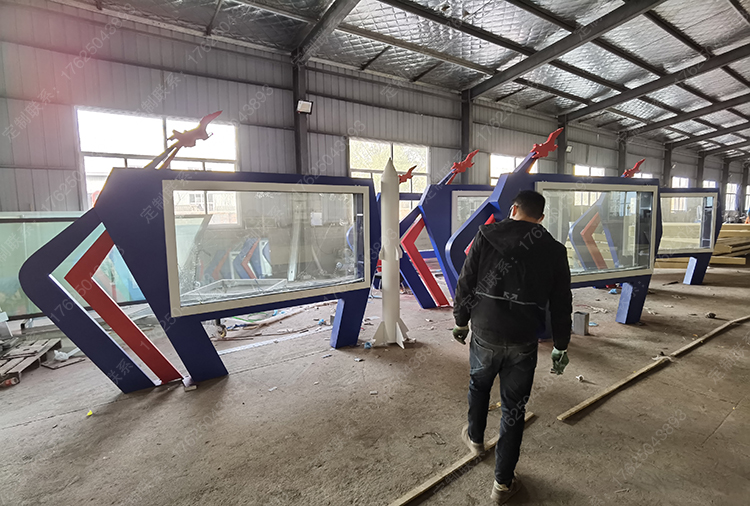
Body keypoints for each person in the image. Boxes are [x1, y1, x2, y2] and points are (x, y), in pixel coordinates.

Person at [452, 190, 572, 504]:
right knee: (513, 410)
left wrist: (461, 320)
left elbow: (467, 280)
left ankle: (475, 439)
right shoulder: (554, 250)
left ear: (513, 209)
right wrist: (561, 345)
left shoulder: (486, 235)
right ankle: (502, 485)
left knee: (478, 385)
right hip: (523, 338)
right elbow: (561, 302)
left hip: (486, 331)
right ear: (541, 218)